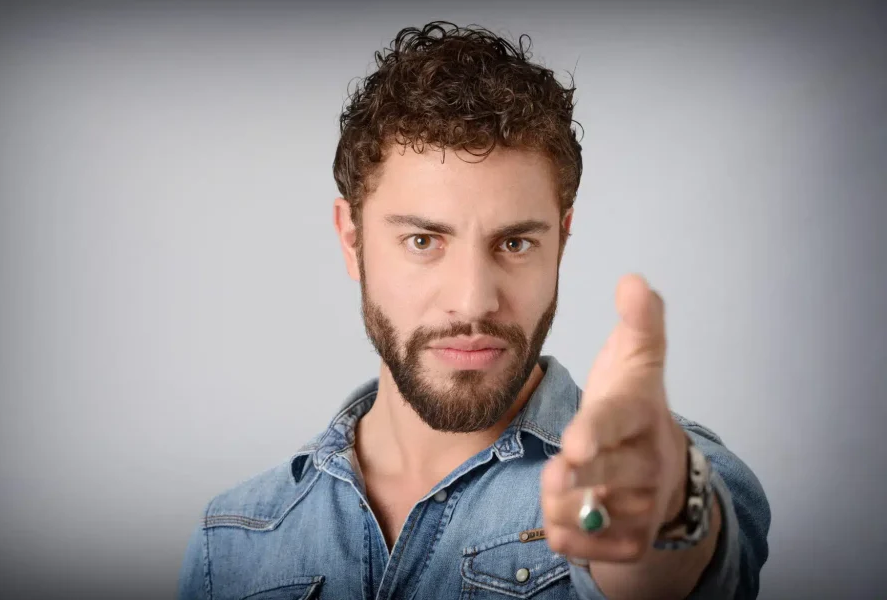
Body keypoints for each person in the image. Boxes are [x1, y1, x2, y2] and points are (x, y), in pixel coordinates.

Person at [177, 21, 770, 600]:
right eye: (423, 241)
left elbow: (674, 564)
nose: (473, 301)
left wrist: (667, 520)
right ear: (352, 241)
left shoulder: (673, 472)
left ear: (561, 241)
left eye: (515, 243)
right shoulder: (230, 541)